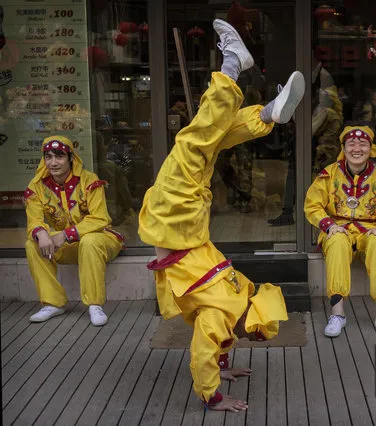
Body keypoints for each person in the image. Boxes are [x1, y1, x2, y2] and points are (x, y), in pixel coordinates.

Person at [137, 19, 303, 412]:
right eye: (252, 334)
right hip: (175, 220)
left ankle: (258, 104)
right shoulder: (226, 310)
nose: (248, 336)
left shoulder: (240, 291)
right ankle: (236, 72)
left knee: (202, 142)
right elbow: (208, 345)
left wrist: (218, 380)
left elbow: (209, 344)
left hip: (185, 223)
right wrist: (217, 382)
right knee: (197, 142)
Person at [304, 124, 376, 337]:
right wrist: (329, 225)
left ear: (371, 148)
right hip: (337, 227)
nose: (357, 148)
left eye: (362, 144)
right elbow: (312, 205)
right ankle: (338, 313)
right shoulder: (328, 174)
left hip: (370, 228)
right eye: (351, 144)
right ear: (344, 148)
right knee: (338, 241)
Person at [24, 135, 125, 326]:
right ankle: (53, 303)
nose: (53, 163)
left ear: (71, 158)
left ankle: (94, 304)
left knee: (89, 241)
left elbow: (100, 218)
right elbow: (34, 218)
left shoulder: (89, 180)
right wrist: (41, 232)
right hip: (70, 246)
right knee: (32, 244)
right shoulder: (37, 186)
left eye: (59, 157)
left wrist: (65, 234)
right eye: (48, 157)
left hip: (101, 240)